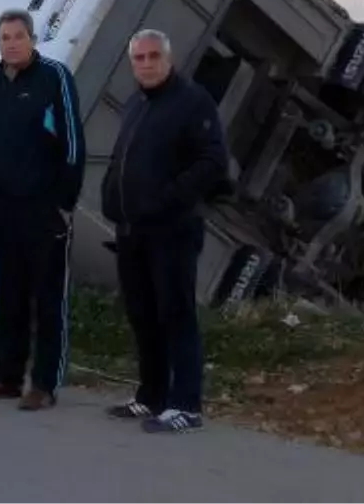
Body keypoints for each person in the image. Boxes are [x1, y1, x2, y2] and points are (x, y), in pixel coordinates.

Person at [101, 29, 229, 434]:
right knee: (143, 315)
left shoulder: (192, 102)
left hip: (172, 229)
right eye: (139, 58)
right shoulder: (136, 104)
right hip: (132, 231)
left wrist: (169, 198)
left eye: (154, 56)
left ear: (169, 59)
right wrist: (111, 201)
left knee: (176, 315)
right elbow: (122, 158)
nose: (147, 63)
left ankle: (185, 404)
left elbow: (212, 161)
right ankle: (150, 396)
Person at [0, 9, 85, 411]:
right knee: (8, 296)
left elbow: (72, 145)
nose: (11, 43)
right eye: (4, 37)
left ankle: (45, 383)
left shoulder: (54, 77)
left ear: (32, 38)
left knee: (48, 299)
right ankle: (8, 378)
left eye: (18, 36)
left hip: (43, 209)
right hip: (0, 209)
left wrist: (65, 203)